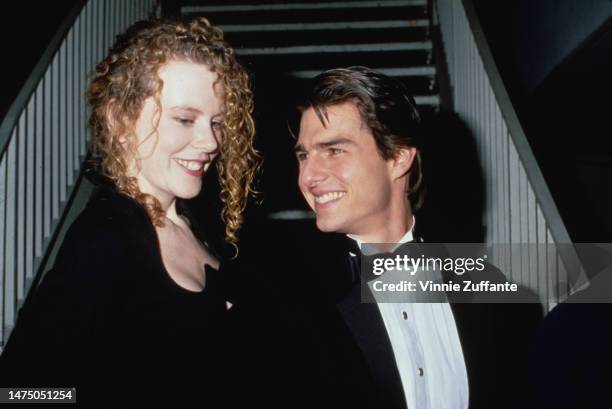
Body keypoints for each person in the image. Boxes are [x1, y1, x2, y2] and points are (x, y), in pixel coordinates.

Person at [0, 17, 260, 408]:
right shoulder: (107, 238)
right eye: (184, 119)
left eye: (218, 122)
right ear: (120, 120)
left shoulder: (194, 226)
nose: (209, 142)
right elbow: (19, 393)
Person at [265, 66, 535, 409]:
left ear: (397, 157)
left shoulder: (492, 296)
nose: (308, 176)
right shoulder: (287, 303)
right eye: (303, 155)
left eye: (333, 150)